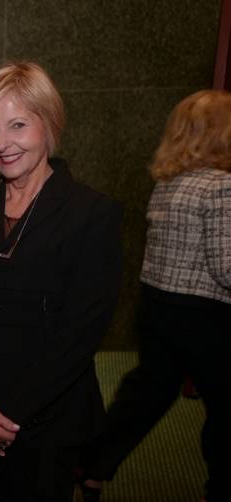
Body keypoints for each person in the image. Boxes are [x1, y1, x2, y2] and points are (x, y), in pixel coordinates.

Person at [0, 62, 122, 502]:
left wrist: (6, 417)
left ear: (49, 122)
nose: (2, 144)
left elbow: (79, 335)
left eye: (17, 125)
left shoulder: (91, 214)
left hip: (45, 418)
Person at [80, 90, 231, 502]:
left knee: (146, 394)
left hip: (158, 307)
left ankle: (94, 466)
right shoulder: (222, 186)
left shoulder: (169, 184)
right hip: (206, 316)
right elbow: (225, 268)